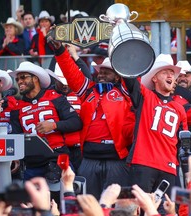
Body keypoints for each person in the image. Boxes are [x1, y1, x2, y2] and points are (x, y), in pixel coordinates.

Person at [50, 39, 134, 200]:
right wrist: (60, 51)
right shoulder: (88, 91)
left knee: (118, 204)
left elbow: (132, 77)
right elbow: (71, 73)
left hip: (116, 159)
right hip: (89, 159)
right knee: (88, 203)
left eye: (107, 71)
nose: (101, 74)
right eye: (100, 71)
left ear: (118, 76)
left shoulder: (126, 92)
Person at [123, 54, 188, 197]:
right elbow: (129, 78)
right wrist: (130, 54)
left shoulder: (180, 108)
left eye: (172, 73)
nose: (170, 75)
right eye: (165, 72)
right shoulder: (145, 96)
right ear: (154, 78)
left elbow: (183, 142)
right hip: (143, 163)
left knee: (166, 210)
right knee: (140, 208)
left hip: (169, 167)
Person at [8, 61, 82, 184]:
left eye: (23, 77)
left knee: (65, 199)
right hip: (31, 163)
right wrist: (15, 157)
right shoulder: (16, 108)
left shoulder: (55, 97)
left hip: (57, 158)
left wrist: (54, 125)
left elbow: (76, 122)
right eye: (17, 79)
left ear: (35, 78)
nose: (19, 81)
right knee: (32, 202)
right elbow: (15, 135)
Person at [50, 63, 83, 172]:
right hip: (59, 150)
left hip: (80, 149)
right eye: (62, 82)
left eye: (68, 81)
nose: (65, 85)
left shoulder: (82, 94)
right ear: (55, 80)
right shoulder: (48, 96)